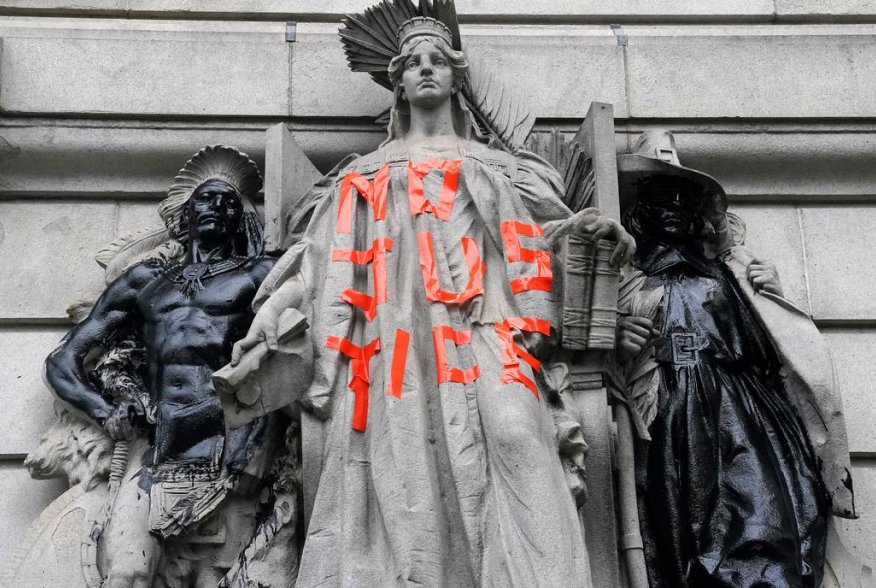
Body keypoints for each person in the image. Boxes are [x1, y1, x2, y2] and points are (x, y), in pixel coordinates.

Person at [230, 12, 634, 588]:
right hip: (390, 343)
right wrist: (267, 321)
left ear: (455, 77)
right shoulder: (362, 176)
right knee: (399, 469)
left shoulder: (501, 169)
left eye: (438, 61)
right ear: (398, 81)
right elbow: (315, 262)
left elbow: (545, 238)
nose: (426, 70)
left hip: (487, 329)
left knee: (518, 432)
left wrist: (590, 233)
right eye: (414, 62)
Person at [616, 130, 856, 587]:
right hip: (669, 408)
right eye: (662, 198)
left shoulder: (731, 273)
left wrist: (774, 301)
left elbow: (777, 354)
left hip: (740, 408)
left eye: (685, 200)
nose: (674, 209)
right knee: (684, 534)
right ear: (642, 209)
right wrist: (618, 339)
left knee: (766, 515)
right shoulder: (627, 278)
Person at [45, 146, 280, 588]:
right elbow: (63, 361)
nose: (218, 208)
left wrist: (260, 434)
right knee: (127, 572)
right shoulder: (144, 282)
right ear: (184, 215)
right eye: (206, 199)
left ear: (242, 218)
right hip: (157, 441)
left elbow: (293, 343)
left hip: (229, 438)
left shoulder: (261, 273)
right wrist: (106, 411)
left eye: (230, 202)